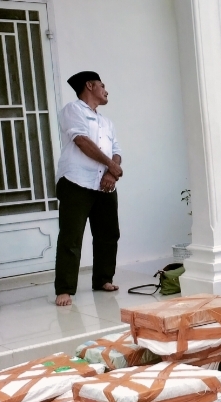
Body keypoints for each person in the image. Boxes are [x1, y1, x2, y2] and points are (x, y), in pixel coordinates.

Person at [53, 71, 123, 307]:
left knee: (108, 233)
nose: (106, 90)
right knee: (71, 236)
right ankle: (64, 289)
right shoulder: (73, 110)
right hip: (76, 181)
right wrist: (111, 165)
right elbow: (81, 141)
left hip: (104, 183)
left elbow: (117, 150)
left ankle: (103, 279)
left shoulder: (106, 122)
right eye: (102, 85)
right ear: (89, 85)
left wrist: (112, 173)